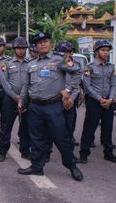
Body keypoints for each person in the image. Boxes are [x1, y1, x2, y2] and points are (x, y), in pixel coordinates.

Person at [18, 31, 83, 182]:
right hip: (35, 106)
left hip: (53, 106)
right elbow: (26, 85)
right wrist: (22, 100)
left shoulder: (59, 59)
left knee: (61, 138)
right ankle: (37, 166)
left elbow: (78, 71)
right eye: (39, 42)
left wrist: (68, 90)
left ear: (50, 43)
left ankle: (72, 166)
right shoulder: (31, 64)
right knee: (36, 139)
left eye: (45, 41)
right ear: (35, 46)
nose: (43, 44)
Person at [77, 40, 116, 164]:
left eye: (107, 50)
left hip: (108, 102)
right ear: (96, 52)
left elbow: (113, 84)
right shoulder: (89, 67)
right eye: (103, 50)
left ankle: (108, 153)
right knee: (89, 129)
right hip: (94, 102)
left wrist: (111, 99)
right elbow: (87, 86)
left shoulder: (111, 67)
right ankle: (84, 154)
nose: (106, 53)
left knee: (107, 129)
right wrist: (100, 99)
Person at [0, 37, 30, 161]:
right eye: (19, 48)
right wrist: (15, 96)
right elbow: (4, 82)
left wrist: (23, 97)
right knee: (6, 126)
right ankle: (2, 151)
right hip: (10, 99)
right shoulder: (7, 64)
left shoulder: (30, 63)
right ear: (14, 49)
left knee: (26, 126)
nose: (21, 50)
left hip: (26, 99)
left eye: (23, 48)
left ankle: (25, 150)